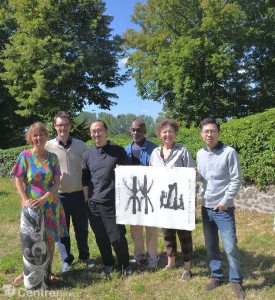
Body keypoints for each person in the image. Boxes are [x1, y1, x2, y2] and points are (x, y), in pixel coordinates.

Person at [12, 122, 68, 288]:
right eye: (35, 135)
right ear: (30, 138)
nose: (38, 138)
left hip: (50, 204)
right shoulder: (25, 156)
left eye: (41, 134)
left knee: (50, 239)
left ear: (46, 137)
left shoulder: (53, 158)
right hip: (31, 206)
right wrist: (24, 198)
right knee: (30, 240)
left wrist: (45, 197)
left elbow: (57, 182)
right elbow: (18, 179)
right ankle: (27, 272)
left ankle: (48, 272)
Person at [196, 117, 245, 299]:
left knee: (230, 246)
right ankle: (216, 276)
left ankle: (235, 280)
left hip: (223, 209)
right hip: (206, 206)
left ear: (218, 132)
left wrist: (225, 201)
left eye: (212, 131)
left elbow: (236, 179)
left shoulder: (229, 152)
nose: (209, 134)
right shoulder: (200, 154)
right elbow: (202, 179)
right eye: (206, 131)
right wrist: (194, 175)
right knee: (211, 246)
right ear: (201, 134)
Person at [82, 120, 132, 276]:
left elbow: (129, 174)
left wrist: (122, 170)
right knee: (101, 237)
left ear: (106, 131)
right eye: (93, 131)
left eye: (99, 130)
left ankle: (125, 265)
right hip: (93, 204)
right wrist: (87, 200)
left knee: (117, 237)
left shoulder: (118, 151)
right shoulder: (87, 154)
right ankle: (108, 264)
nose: (96, 134)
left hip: (113, 202)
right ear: (91, 134)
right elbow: (85, 179)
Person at [45, 111, 94, 272]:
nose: (63, 128)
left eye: (65, 124)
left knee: (81, 228)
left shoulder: (81, 145)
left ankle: (85, 256)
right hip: (59, 195)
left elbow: (89, 168)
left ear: (70, 126)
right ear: (55, 127)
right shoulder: (48, 146)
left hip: (80, 194)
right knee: (62, 230)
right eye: (59, 125)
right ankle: (66, 260)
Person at [150, 119, 195, 282]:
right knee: (167, 233)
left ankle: (187, 268)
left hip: (180, 199)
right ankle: (171, 262)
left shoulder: (183, 151)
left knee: (184, 234)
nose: (167, 134)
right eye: (164, 132)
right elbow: (151, 176)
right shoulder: (155, 153)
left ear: (175, 133)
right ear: (159, 134)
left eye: (170, 131)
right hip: (162, 201)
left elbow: (191, 174)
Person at [125, 118, 159, 269]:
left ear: (145, 131)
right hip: (132, 196)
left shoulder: (155, 150)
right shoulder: (125, 150)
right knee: (135, 228)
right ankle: (139, 255)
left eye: (139, 129)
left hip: (150, 194)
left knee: (151, 227)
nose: (135, 132)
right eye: (133, 130)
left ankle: (153, 257)